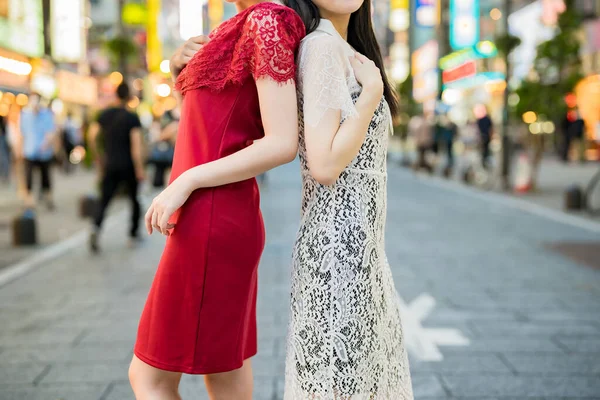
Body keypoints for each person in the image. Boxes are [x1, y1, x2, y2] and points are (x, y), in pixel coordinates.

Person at [128, 2, 304, 399]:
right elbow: (210, 125)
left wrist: (186, 182)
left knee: (150, 377)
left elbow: (281, 142)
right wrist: (179, 71)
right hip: (217, 216)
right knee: (225, 374)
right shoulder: (238, 24)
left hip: (212, 218)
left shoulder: (266, 21)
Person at [283, 0, 414, 397]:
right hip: (338, 252)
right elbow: (323, 164)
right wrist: (371, 94)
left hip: (361, 250)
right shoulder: (322, 45)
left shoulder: (347, 49)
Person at [88, 83, 145, 252]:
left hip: (110, 163)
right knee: (134, 199)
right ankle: (133, 234)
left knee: (104, 199)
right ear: (129, 96)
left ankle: (95, 228)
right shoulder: (132, 118)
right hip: (128, 165)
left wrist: (99, 157)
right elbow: (136, 146)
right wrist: (140, 168)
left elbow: (91, 136)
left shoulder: (105, 115)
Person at [20, 93, 56, 209]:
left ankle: (48, 197)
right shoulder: (25, 115)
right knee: (28, 176)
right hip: (29, 151)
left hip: (44, 152)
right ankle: (29, 200)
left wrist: (46, 144)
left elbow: (51, 132)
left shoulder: (46, 115)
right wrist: (19, 149)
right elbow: (22, 134)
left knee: (45, 176)